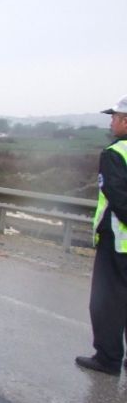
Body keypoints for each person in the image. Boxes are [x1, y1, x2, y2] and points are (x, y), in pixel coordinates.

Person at [76, 94, 127, 375]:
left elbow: (117, 196)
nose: (111, 122)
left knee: (108, 300)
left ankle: (108, 358)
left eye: (114, 117)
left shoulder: (115, 153)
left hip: (118, 240)